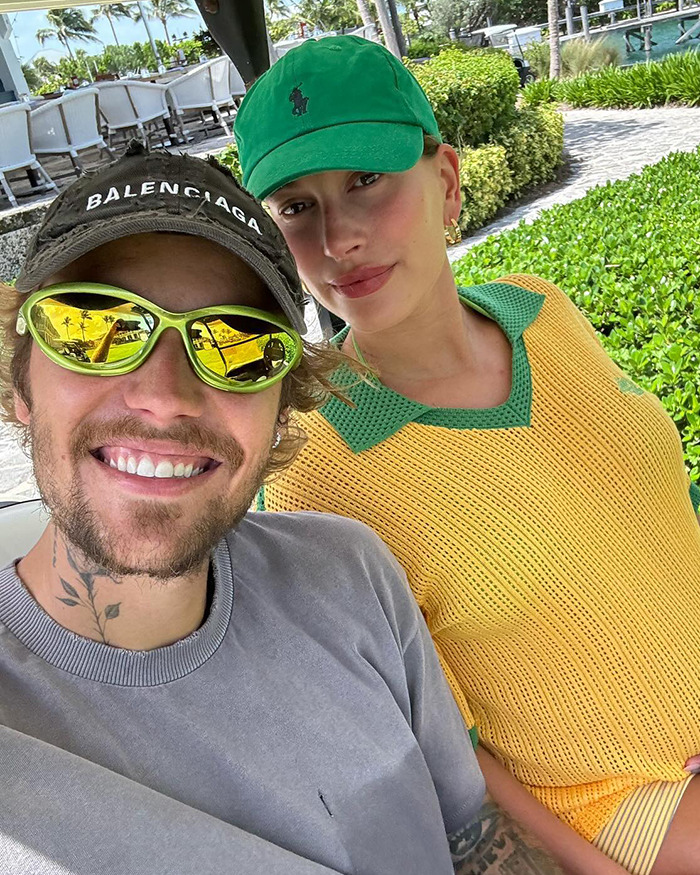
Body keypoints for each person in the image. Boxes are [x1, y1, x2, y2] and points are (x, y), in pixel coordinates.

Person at [234, 35, 700, 875]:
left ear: (445, 181)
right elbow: (437, 737)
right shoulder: (318, 467)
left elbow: (657, 517)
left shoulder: (540, 307)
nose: (338, 236)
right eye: (295, 207)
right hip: (623, 794)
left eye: (365, 181)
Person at [0, 145, 498, 875]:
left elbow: (473, 840)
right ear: (21, 384)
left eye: (237, 346)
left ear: (279, 411)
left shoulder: (350, 572)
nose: (165, 396)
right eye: (93, 327)